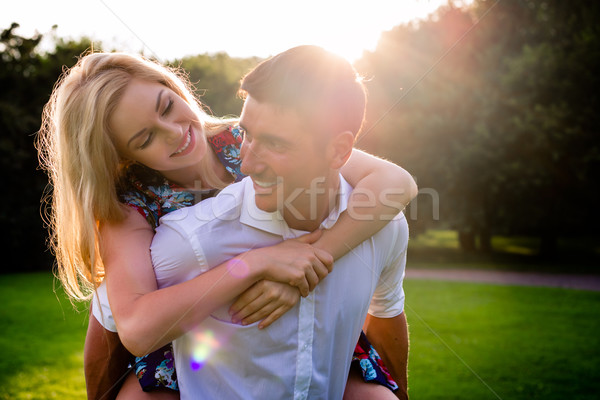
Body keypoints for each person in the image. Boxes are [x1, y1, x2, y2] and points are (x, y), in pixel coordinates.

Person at [37, 51, 415, 400]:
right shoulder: (131, 206)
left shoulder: (245, 137)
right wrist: (257, 264)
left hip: (303, 322)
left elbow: (396, 183)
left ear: (173, 88)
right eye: (146, 137)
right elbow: (127, 327)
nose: (175, 132)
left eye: (167, 107)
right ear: (121, 155)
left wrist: (310, 262)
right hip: (188, 339)